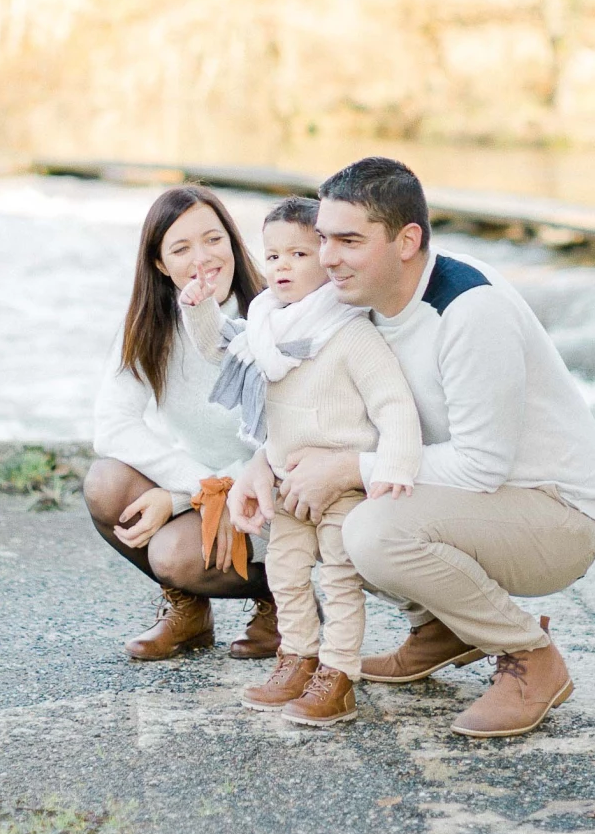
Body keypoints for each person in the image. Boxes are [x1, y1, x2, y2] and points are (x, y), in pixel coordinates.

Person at [277, 156, 595, 740]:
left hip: (554, 513)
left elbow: (481, 466)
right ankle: (441, 628)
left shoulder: (469, 311)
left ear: (407, 240)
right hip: (477, 504)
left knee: (372, 529)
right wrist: (266, 467)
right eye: (324, 239)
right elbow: (308, 398)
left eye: (350, 241)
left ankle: (533, 658)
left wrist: (348, 468)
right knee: (317, 504)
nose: (328, 257)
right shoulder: (355, 301)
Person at [179, 196, 422, 728]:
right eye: (272, 256)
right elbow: (220, 349)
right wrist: (199, 307)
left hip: (344, 483)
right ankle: (298, 658)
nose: (282, 266)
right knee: (286, 574)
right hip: (290, 480)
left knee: (338, 576)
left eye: (298, 254)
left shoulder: (350, 332)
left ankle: (338, 676)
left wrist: (394, 471)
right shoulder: (267, 327)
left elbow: (394, 405)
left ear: (328, 258)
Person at [86, 184, 281, 661]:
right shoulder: (151, 325)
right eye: (181, 248)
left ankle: (282, 603)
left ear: (233, 242)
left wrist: (178, 496)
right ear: (159, 263)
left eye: (213, 240)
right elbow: (112, 426)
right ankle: (188, 614)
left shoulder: (273, 316)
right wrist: (196, 489)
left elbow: (288, 445)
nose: (202, 258)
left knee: (173, 554)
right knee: (106, 482)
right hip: (207, 488)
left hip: (268, 497)